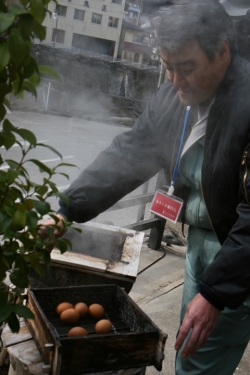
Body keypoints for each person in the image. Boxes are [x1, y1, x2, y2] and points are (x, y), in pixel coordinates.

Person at [44, 1, 250, 373]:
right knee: (190, 351)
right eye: (167, 67)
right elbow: (130, 152)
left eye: (185, 68)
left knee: (199, 361)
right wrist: (66, 209)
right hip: (200, 246)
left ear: (223, 51)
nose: (174, 81)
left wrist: (216, 293)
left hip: (238, 251)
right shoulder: (175, 97)